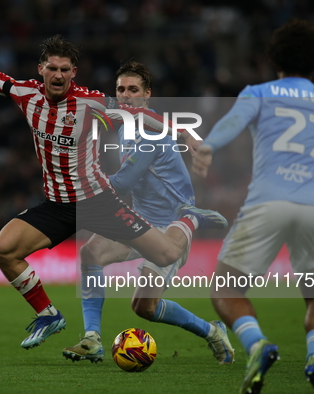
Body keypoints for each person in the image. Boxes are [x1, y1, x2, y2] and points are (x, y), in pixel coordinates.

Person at [0, 33, 228, 349]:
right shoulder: (27, 94)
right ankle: (52, 316)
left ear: (73, 72)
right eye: (52, 68)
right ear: (41, 69)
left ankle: (191, 221)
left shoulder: (89, 103)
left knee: (166, 253)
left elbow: (137, 114)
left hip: (99, 201)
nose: (58, 75)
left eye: (65, 69)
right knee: (3, 250)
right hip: (58, 206)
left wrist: (184, 134)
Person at [193, 20, 314, 394]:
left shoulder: (260, 92)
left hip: (267, 202)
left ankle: (258, 345)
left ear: (274, 58)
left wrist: (208, 147)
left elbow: (233, 122)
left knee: (225, 290)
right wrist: (312, 184)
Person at [62, 61, 234, 365]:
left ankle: (212, 331)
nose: (126, 96)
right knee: (90, 253)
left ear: (147, 95)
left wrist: (80, 185)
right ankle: (91, 338)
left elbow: (122, 182)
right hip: (141, 219)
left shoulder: (151, 134)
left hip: (173, 223)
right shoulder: (125, 130)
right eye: (120, 90)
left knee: (144, 307)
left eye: (133, 90)